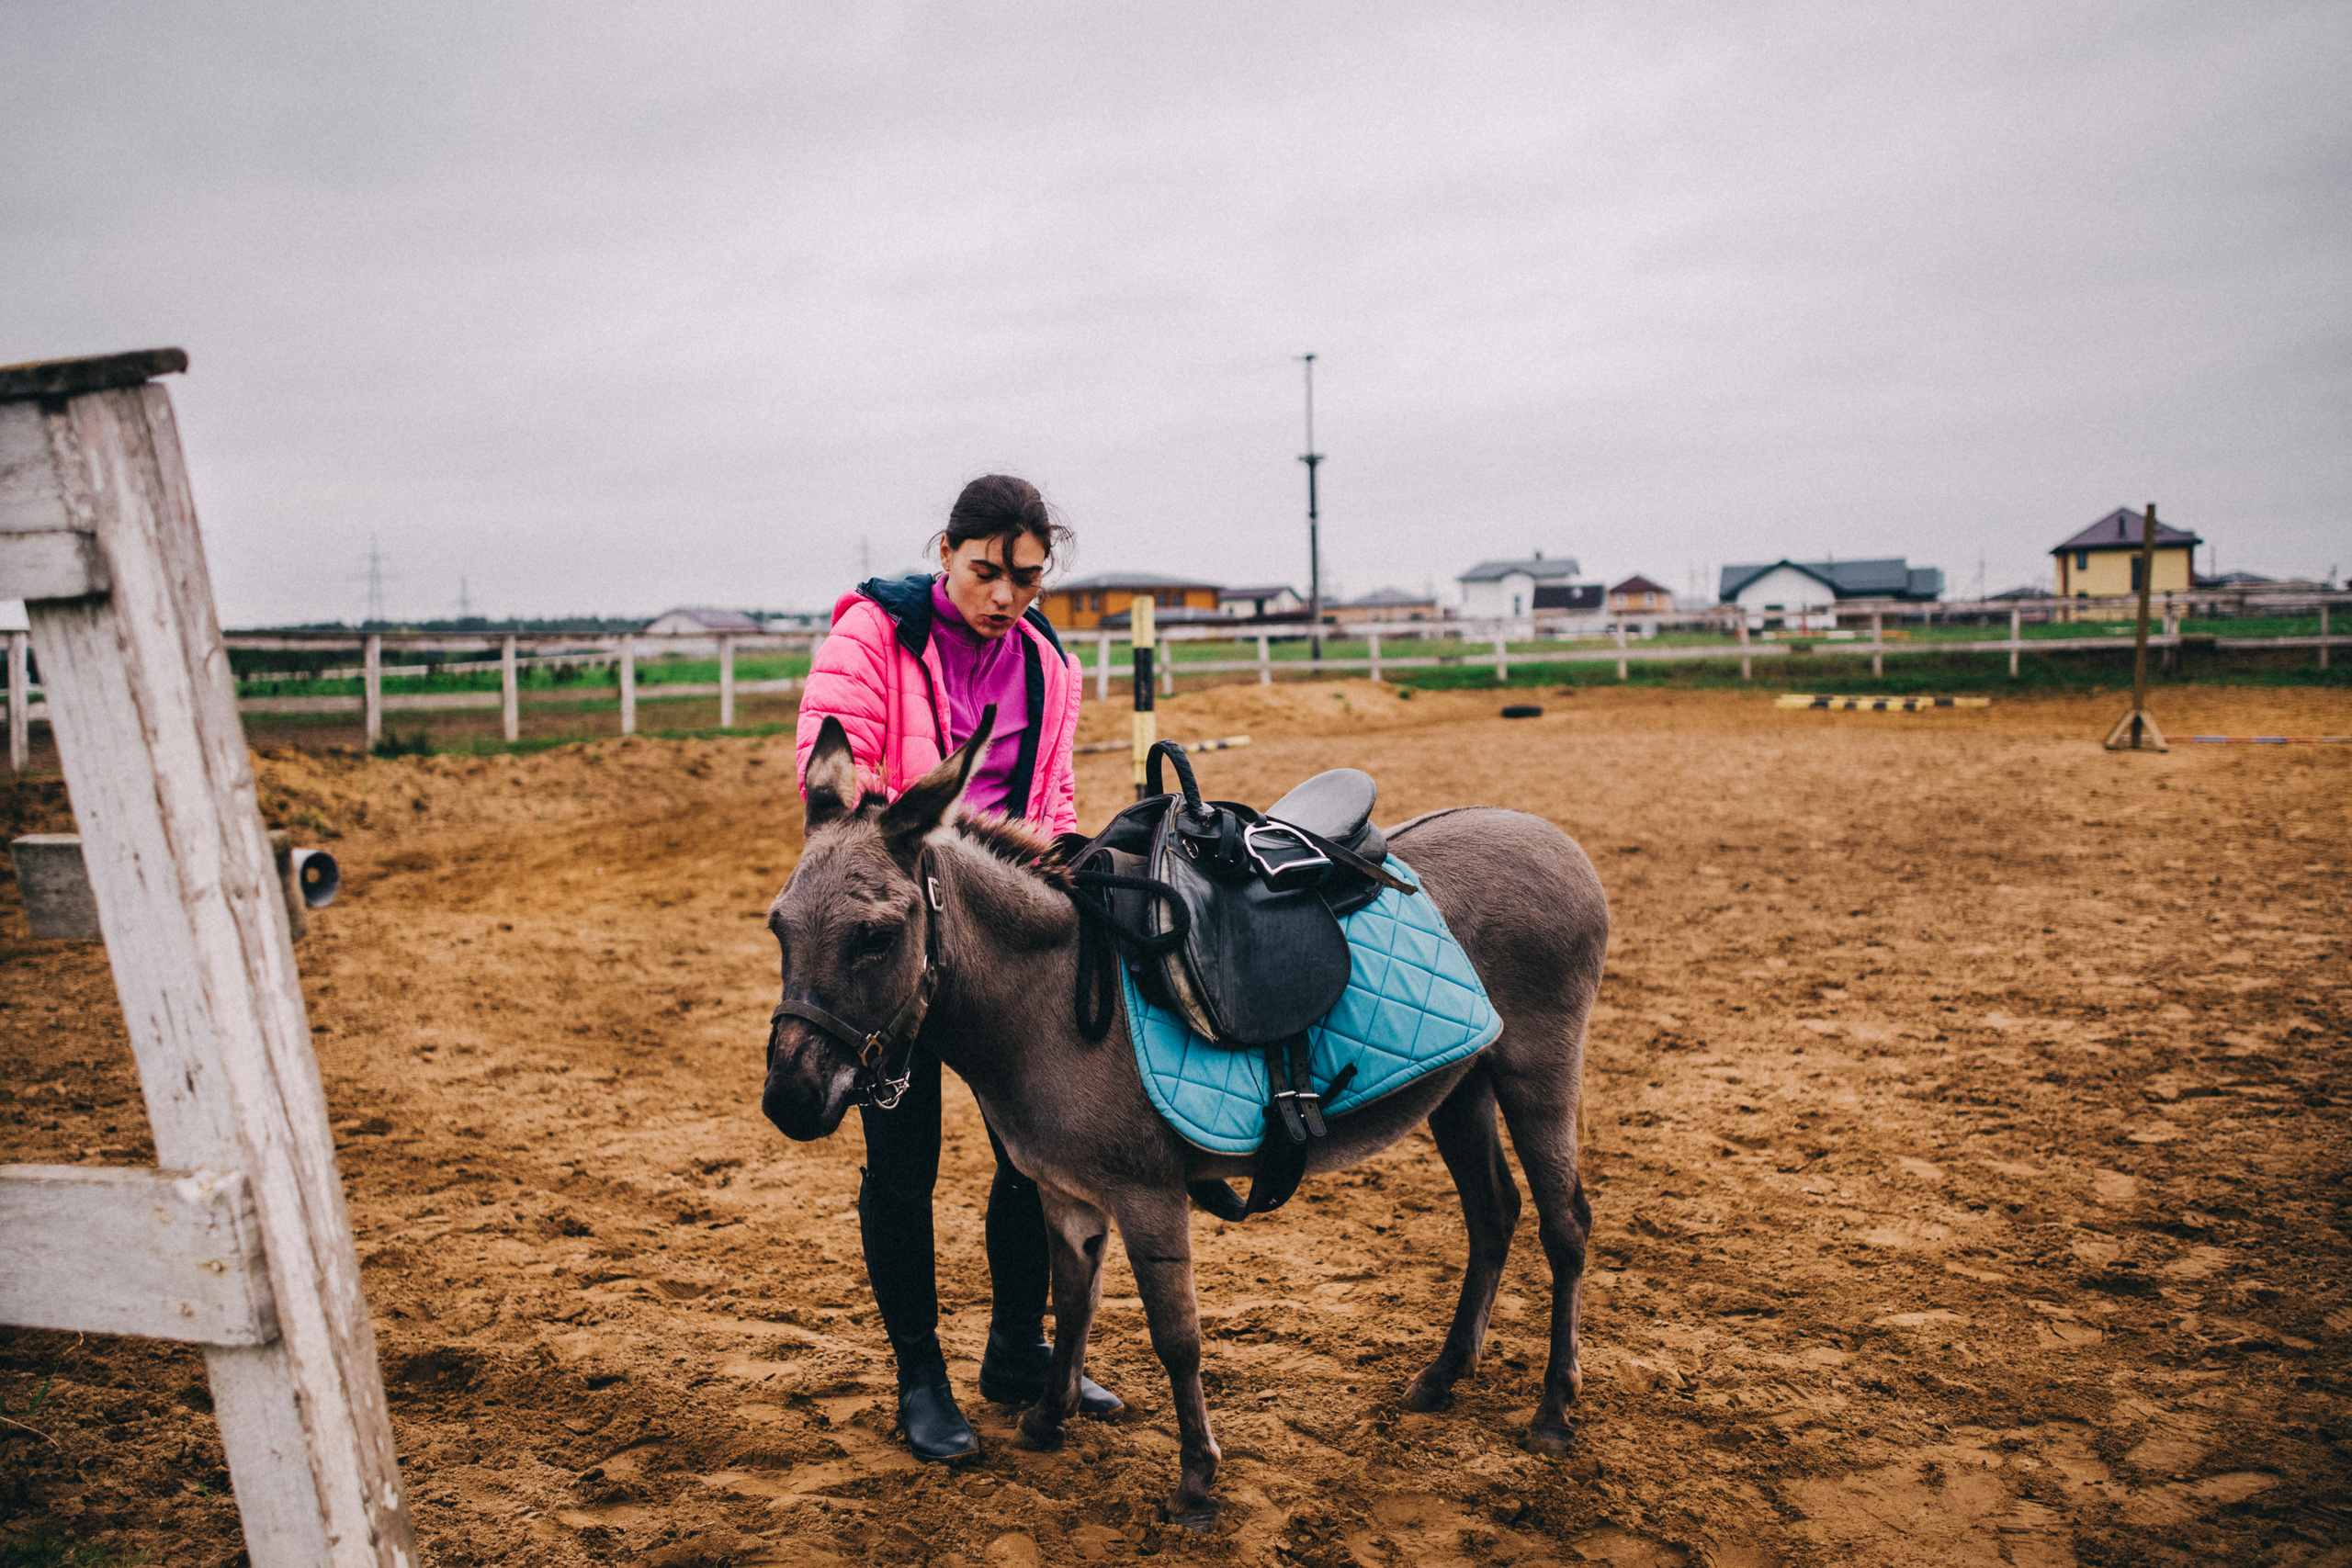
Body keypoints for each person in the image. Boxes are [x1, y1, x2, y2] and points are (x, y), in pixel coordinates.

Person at [792, 474, 1120, 1461]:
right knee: (904, 1167)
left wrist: (1058, 865)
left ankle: (1018, 1351)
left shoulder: (1047, 664)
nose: (1007, 595)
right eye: (987, 571)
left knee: (1036, 1157)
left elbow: (1053, 795)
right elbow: (837, 784)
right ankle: (919, 1380)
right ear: (945, 551)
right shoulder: (870, 641)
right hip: (894, 937)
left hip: (998, 944)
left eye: (1027, 577)